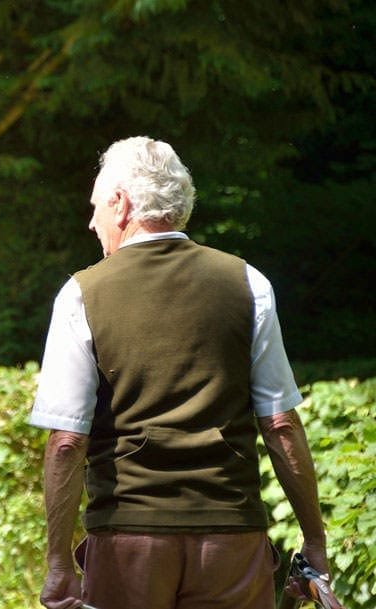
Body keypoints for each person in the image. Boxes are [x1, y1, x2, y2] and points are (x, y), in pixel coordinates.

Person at [30, 136, 331, 609]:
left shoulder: (81, 294)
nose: (91, 222)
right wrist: (314, 541)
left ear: (120, 203)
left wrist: (58, 563)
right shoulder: (249, 283)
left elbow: (67, 442)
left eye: (95, 208)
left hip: (128, 542)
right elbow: (281, 425)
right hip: (232, 540)